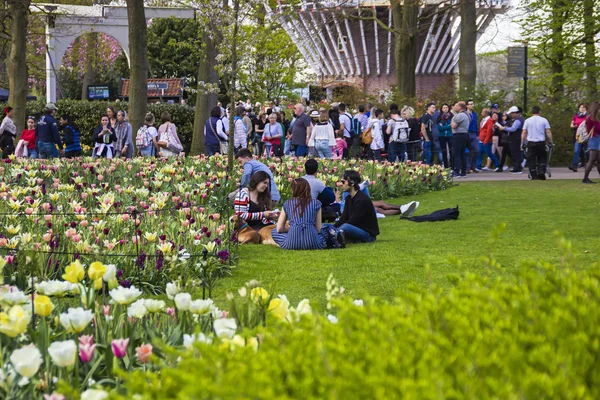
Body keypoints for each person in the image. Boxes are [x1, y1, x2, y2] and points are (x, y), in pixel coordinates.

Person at [272, 178, 332, 250]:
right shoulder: (316, 203)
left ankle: (291, 237)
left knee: (274, 231)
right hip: (313, 243)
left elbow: (279, 229)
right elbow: (318, 230)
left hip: (291, 243)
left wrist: (290, 229)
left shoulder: (287, 203)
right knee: (326, 229)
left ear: (293, 190)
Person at [333, 170, 379, 243]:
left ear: (352, 183)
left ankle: (338, 237)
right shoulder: (348, 198)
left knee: (344, 227)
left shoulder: (362, 199)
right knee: (326, 226)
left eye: (343, 182)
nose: (341, 184)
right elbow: (343, 218)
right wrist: (332, 227)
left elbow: (354, 221)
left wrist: (335, 229)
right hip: (355, 228)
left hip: (367, 234)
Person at [234, 171, 278, 237]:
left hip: (262, 225)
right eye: (264, 183)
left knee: (280, 227)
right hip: (247, 228)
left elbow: (263, 218)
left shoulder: (263, 196)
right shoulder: (243, 194)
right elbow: (240, 216)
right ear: (257, 181)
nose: (266, 186)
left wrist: (271, 216)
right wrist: (263, 214)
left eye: (267, 184)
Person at [521, 106, 553, 180]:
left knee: (531, 159)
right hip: (541, 142)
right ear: (539, 112)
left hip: (531, 142)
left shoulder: (527, 121)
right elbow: (548, 131)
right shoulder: (544, 120)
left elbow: (524, 132)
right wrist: (551, 141)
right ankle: (541, 171)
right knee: (542, 157)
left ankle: (533, 174)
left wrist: (522, 142)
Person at [498, 106, 524, 174]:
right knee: (515, 153)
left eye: (512, 113)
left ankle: (517, 168)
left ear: (515, 113)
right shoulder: (519, 119)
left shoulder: (518, 120)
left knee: (515, 153)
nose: (511, 115)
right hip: (516, 138)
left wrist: (504, 128)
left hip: (515, 139)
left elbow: (513, 129)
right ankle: (518, 167)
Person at [581, 101, 600, 184]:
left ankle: (586, 178)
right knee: (592, 160)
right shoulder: (592, 118)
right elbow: (598, 129)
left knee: (598, 160)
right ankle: (585, 178)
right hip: (595, 139)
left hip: (595, 139)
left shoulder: (591, 118)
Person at [451, 101, 470, 178]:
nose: (455, 107)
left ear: (460, 107)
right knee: (462, 154)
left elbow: (453, 126)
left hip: (458, 135)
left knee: (457, 153)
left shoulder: (460, 115)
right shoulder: (467, 114)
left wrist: (453, 119)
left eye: (457, 106)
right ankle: (463, 171)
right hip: (465, 134)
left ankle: (456, 171)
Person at [569, 103, 588, 172]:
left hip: (586, 135)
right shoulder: (576, 116)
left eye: (583, 107)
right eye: (580, 107)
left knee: (587, 151)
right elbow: (571, 124)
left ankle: (588, 163)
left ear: (586, 109)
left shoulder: (588, 116)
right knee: (577, 150)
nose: (582, 109)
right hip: (578, 135)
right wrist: (573, 126)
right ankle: (574, 165)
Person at [437, 104, 453, 169]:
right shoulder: (439, 117)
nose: (445, 109)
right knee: (444, 151)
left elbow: (452, 126)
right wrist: (448, 126)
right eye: (444, 107)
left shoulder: (451, 116)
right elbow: (440, 128)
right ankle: (446, 166)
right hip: (442, 136)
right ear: (441, 109)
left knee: (451, 151)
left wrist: (444, 126)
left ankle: (452, 166)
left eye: (446, 107)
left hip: (450, 135)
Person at [466, 100, 480, 172]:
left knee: (477, 150)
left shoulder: (474, 114)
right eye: (470, 104)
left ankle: (473, 165)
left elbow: (476, 124)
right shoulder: (465, 114)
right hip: (467, 133)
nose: (472, 105)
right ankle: (467, 167)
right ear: (467, 106)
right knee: (467, 151)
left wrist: (477, 134)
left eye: (473, 104)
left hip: (474, 133)